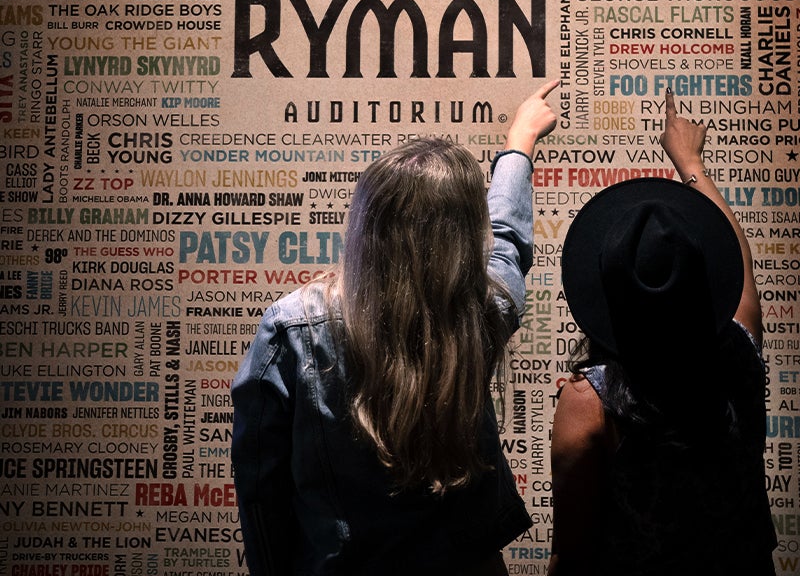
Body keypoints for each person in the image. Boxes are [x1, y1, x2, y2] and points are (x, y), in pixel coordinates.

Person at [232, 80, 560, 576]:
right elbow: (509, 240)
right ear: (468, 236)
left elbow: (261, 490)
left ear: (366, 221)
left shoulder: (294, 329)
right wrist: (519, 143)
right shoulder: (480, 313)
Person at [547, 89, 777, 576]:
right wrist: (690, 164)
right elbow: (744, 271)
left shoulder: (590, 405)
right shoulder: (739, 355)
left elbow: (574, 555)